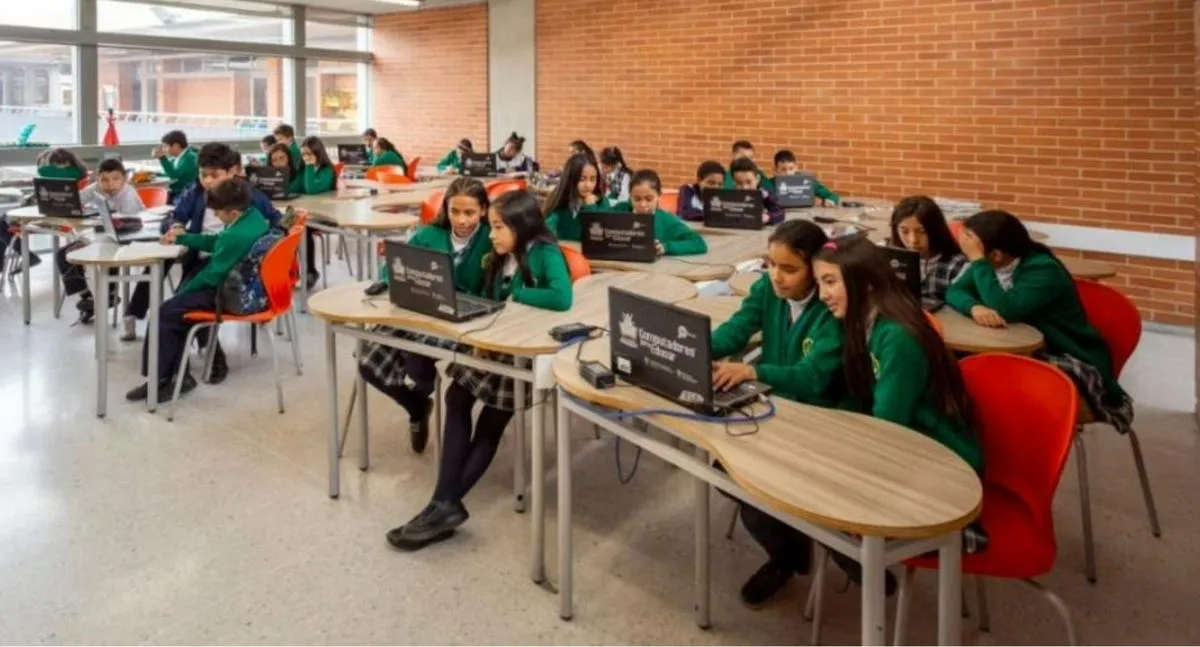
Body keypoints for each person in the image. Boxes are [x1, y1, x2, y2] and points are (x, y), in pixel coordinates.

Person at [386, 189, 572, 551]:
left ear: (521, 225)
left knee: (491, 419)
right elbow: (491, 302)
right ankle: (445, 503)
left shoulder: (544, 252)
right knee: (457, 397)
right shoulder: (499, 257)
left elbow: (562, 297)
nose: (491, 234)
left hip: (526, 353)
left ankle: (443, 503)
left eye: (499, 227)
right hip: (496, 346)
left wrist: (517, 296)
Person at [815, 234, 985, 591]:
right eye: (819, 283)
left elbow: (887, 429)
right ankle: (857, 558)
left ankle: (867, 564)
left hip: (940, 458)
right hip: (906, 444)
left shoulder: (897, 337)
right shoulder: (864, 323)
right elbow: (861, 400)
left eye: (830, 282)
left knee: (818, 488)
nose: (822, 295)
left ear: (864, 282)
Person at [707, 220, 844, 607]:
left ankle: (787, 557)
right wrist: (694, 348)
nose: (776, 277)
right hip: (771, 406)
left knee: (757, 484)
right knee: (726, 472)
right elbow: (737, 330)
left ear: (815, 269)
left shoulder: (834, 306)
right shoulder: (768, 288)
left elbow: (813, 377)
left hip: (820, 415)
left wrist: (754, 372)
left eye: (789, 269)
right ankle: (790, 550)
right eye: (770, 264)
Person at [948, 210, 1133, 433]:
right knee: (952, 366)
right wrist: (974, 307)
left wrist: (978, 262)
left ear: (996, 255)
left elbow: (1005, 309)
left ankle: (1000, 437)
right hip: (1021, 345)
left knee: (986, 386)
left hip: (1067, 352)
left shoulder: (1043, 269)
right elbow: (955, 291)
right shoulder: (992, 265)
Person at [358, 178, 493, 453]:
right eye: (455, 211)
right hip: (421, 310)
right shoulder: (429, 235)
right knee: (367, 364)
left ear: (483, 210)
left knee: (417, 359)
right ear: (446, 209)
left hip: (465, 322)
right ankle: (417, 405)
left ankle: (422, 387)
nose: (461, 220)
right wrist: (388, 280)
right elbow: (396, 266)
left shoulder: (492, 238)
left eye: (469, 212)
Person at [121, 143, 283, 365]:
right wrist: (176, 226)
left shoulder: (247, 195)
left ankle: (209, 353)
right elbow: (175, 214)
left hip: (228, 261)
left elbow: (276, 222)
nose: (207, 181)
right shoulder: (195, 190)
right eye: (203, 174)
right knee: (157, 261)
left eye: (214, 175)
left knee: (187, 296)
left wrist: (259, 250)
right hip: (199, 248)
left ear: (231, 172)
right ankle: (135, 313)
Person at [125, 178, 270, 403]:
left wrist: (185, 291)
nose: (216, 216)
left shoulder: (236, 236)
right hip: (246, 287)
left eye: (218, 213)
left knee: (165, 313)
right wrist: (183, 238)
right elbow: (218, 242)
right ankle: (175, 377)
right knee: (174, 312)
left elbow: (213, 275)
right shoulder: (252, 217)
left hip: (228, 293)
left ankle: (164, 379)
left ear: (232, 213)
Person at [59, 158, 147, 321]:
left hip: (129, 239)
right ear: (97, 179)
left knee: (108, 255)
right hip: (105, 236)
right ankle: (87, 296)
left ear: (124, 179)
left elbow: (130, 226)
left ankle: (109, 294)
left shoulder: (128, 196)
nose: (110, 184)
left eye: (115, 179)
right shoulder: (96, 188)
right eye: (104, 180)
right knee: (64, 255)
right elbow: (75, 199)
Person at [0, 148, 89, 272]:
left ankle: (25, 257)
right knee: (2, 226)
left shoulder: (73, 177)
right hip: (48, 215)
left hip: (57, 220)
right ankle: (26, 256)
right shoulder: (79, 175)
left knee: (2, 225)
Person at [606, 170, 707, 256]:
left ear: (659, 196)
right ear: (630, 196)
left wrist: (666, 247)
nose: (643, 204)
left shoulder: (666, 220)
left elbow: (699, 243)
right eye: (637, 199)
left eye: (649, 199)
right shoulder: (620, 210)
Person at [889, 195, 969, 302]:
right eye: (904, 232)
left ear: (935, 230)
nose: (913, 240)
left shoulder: (956, 265)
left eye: (921, 232)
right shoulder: (890, 258)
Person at [542, 153, 605, 241]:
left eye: (592, 179)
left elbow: (598, 237)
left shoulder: (602, 202)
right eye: (582, 179)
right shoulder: (560, 208)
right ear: (571, 179)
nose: (588, 185)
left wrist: (591, 207)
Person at [773, 149, 839, 205]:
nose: (788, 173)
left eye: (791, 169)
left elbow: (834, 196)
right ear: (776, 170)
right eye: (783, 169)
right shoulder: (770, 184)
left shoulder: (806, 182)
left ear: (796, 168)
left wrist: (826, 201)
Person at [730, 158, 784, 225]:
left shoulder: (765, 195)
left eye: (749, 182)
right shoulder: (731, 197)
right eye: (739, 183)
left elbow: (780, 213)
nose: (744, 187)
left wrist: (768, 217)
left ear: (757, 179)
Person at [155, 130, 198, 204]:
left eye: (165, 146)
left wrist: (162, 158)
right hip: (177, 193)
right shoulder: (175, 158)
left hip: (186, 195)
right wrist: (156, 175)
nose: (164, 150)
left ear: (176, 145)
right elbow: (171, 173)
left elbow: (174, 175)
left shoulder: (190, 157)